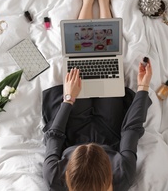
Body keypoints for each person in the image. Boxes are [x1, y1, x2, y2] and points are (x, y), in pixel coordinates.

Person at [42, 58, 152, 191]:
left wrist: (68, 98)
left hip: (73, 131)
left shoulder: (54, 179)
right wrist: (143, 87)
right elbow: (131, 130)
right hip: (109, 129)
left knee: (79, 69)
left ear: (66, 174)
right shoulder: (123, 176)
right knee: (108, 70)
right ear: (110, 173)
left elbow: (55, 136)